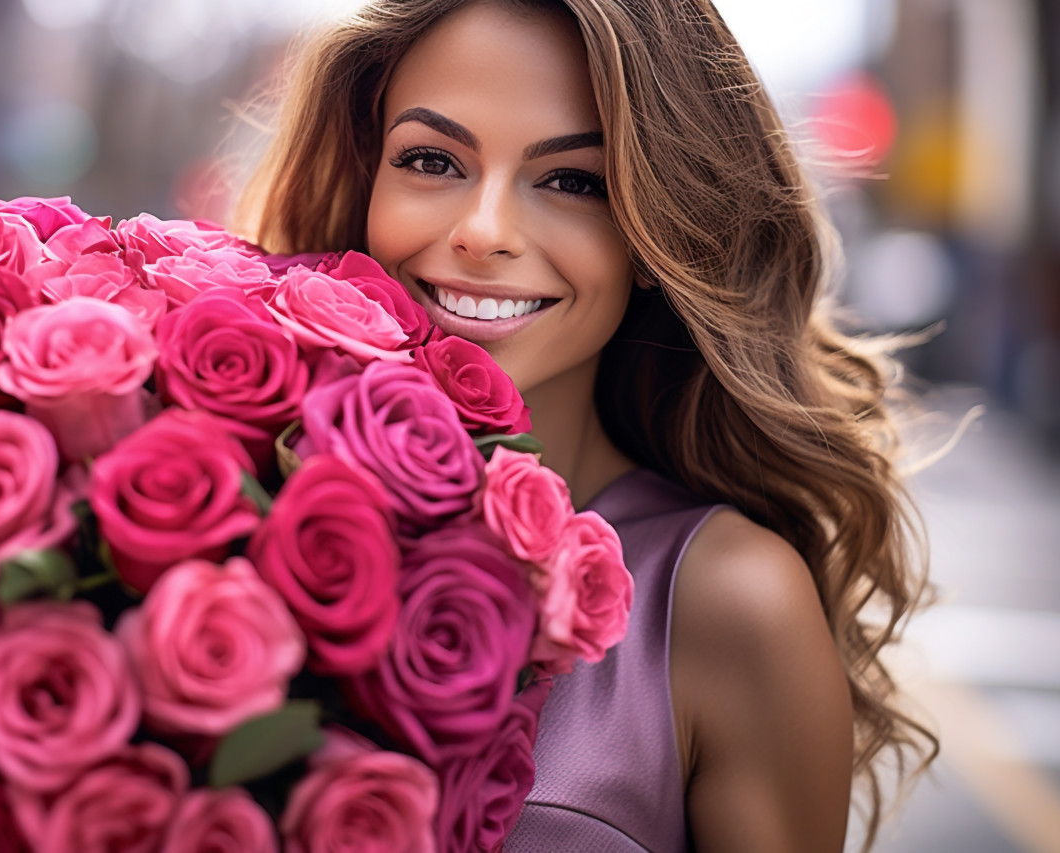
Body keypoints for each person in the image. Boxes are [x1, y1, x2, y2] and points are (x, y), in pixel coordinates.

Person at [235, 0, 938, 850]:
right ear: (367, 180)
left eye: (573, 181)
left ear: (656, 233)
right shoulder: (227, 505)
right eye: (431, 160)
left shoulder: (730, 603)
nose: (484, 232)